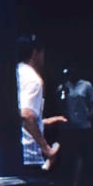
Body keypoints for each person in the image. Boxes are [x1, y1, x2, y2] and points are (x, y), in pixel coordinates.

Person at [18, 35, 56, 171]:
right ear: (36, 52)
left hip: (13, 152)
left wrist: (43, 121)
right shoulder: (33, 80)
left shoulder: (13, 74)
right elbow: (26, 114)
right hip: (30, 154)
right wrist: (46, 148)